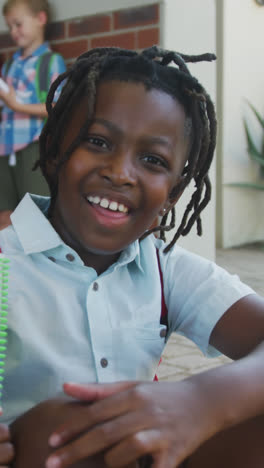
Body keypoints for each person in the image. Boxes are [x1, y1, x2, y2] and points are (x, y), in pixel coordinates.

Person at [0, 45, 264, 468]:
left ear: (174, 193)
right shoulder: (5, 254)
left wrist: (201, 401)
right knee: (58, 428)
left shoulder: (165, 268)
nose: (121, 172)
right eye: (98, 141)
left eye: (152, 159)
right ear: (51, 149)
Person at [0, 0, 66, 230]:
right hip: (5, 148)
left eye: (18, 24)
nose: (13, 32)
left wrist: (17, 106)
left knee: (36, 216)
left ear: (40, 19)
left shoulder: (50, 62)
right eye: (10, 27)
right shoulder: (9, 66)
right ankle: (5, 266)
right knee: (5, 216)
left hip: (33, 147)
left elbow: (58, 105)